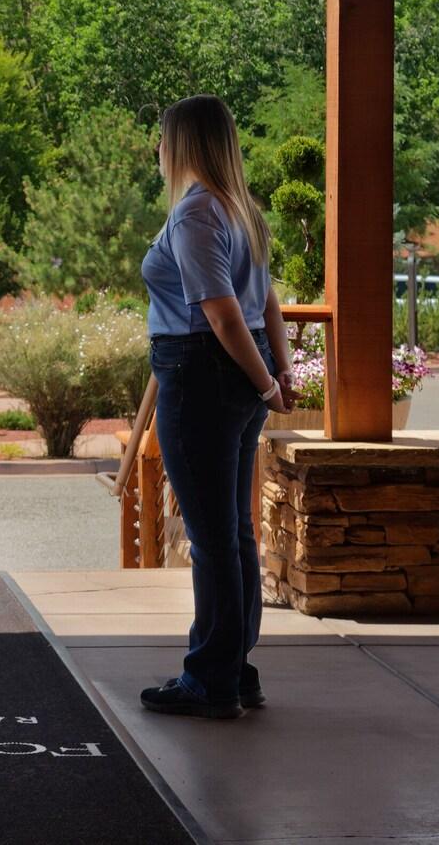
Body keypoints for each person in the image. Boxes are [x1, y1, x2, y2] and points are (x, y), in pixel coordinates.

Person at [137, 94, 292, 720]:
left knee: (212, 538)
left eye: (164, 137)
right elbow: (269, 302)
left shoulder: (195, 213)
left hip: (202, 374)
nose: (158, 148)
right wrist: (277, 372)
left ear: (183, 143)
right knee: (234, 531)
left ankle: (210, 680)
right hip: (238, 372)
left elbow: (223, 315)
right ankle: (235, 668)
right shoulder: (240, 208)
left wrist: (267, 385)